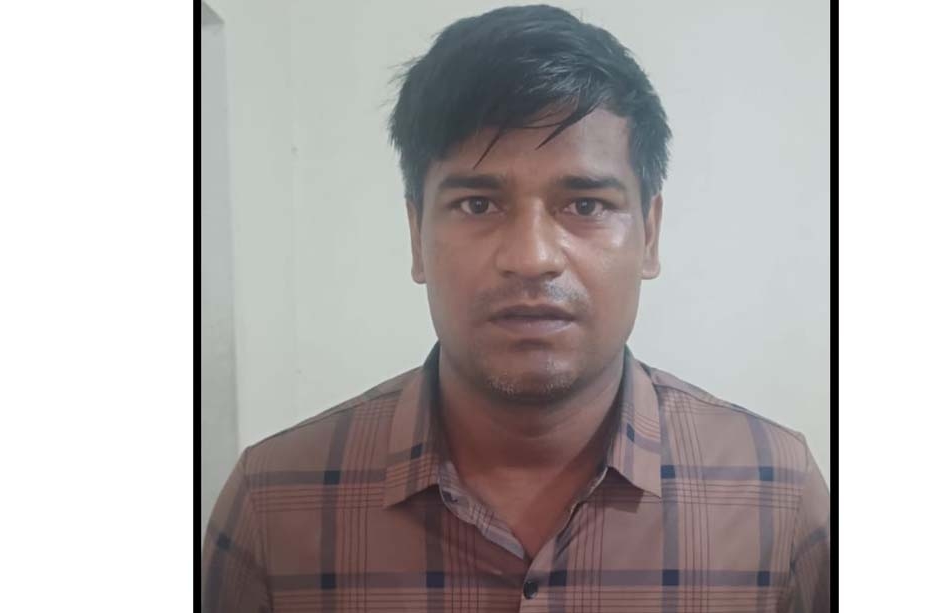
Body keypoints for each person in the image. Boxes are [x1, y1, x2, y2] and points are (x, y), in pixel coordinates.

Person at [201, 5, 829, 612]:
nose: (531, 258)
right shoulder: (273, 503)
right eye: (478, 204)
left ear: (649, 235)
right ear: (417, 237)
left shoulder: (777, 495)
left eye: (585, 205)